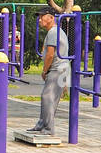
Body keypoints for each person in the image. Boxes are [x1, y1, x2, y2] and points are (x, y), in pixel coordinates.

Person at [27, 8, 71, 136]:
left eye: (42, 16)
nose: (39, 19)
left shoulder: (53, 32)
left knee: (47, 97)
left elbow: (50, 55)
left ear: (51, 18)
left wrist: (44, 71)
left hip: (57, 69)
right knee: (49, 98)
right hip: (61, 69)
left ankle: (48, 128)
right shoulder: (55, 32)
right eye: (39, 17)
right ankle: (42, 124)